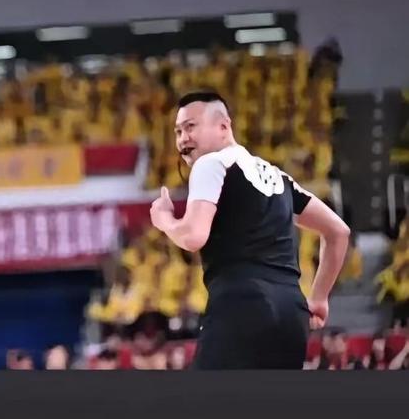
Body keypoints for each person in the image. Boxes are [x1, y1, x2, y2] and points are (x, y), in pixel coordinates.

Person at [150, 91, 350, 370]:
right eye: (178, 131)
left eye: (191, 127)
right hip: (292, 315)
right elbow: (338, 231)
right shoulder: (280, 178)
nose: (183, 138)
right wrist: (319, 298)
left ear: (223, 126)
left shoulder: (211, 163)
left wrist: (164, 219)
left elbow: (193, 236)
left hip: (241, 305)